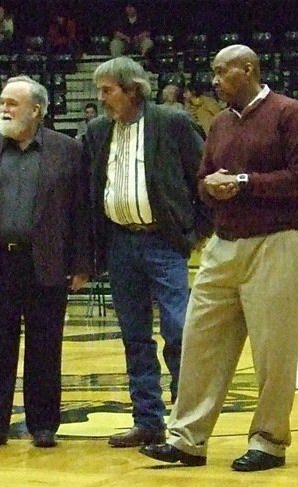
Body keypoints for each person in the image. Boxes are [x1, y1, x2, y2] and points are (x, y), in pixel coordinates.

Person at [139, 45, 298, 471]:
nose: (215, 81)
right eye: (214, 73)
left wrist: (242, 181)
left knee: (274, 350)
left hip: (277, 241)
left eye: (222, 72)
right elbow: (202, 179)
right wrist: (210, 187)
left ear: (249, 69)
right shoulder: (219, 123)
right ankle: (187, 439)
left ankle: (270, 441)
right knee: (199, 340)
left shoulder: (288, 112)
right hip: (224, 243)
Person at [0, 76, 92, 449]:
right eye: (1, 102)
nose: (4, 109)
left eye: (12, 103)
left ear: (36, 110)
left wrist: (81, 263)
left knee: (46, 347)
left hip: (45, 262)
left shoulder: (68, 151)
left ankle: (43, 425)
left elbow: (80, 212)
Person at [83, 57, 207, 448]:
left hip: (163, 242)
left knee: (178, 331)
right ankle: (147, 420)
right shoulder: (97, 131)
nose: (101, 99)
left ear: (133, 90)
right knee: (134, 336)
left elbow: (203, 177)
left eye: (108, 91)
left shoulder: (171, 123)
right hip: (119, 243)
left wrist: (195, 232)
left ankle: (185, 423)